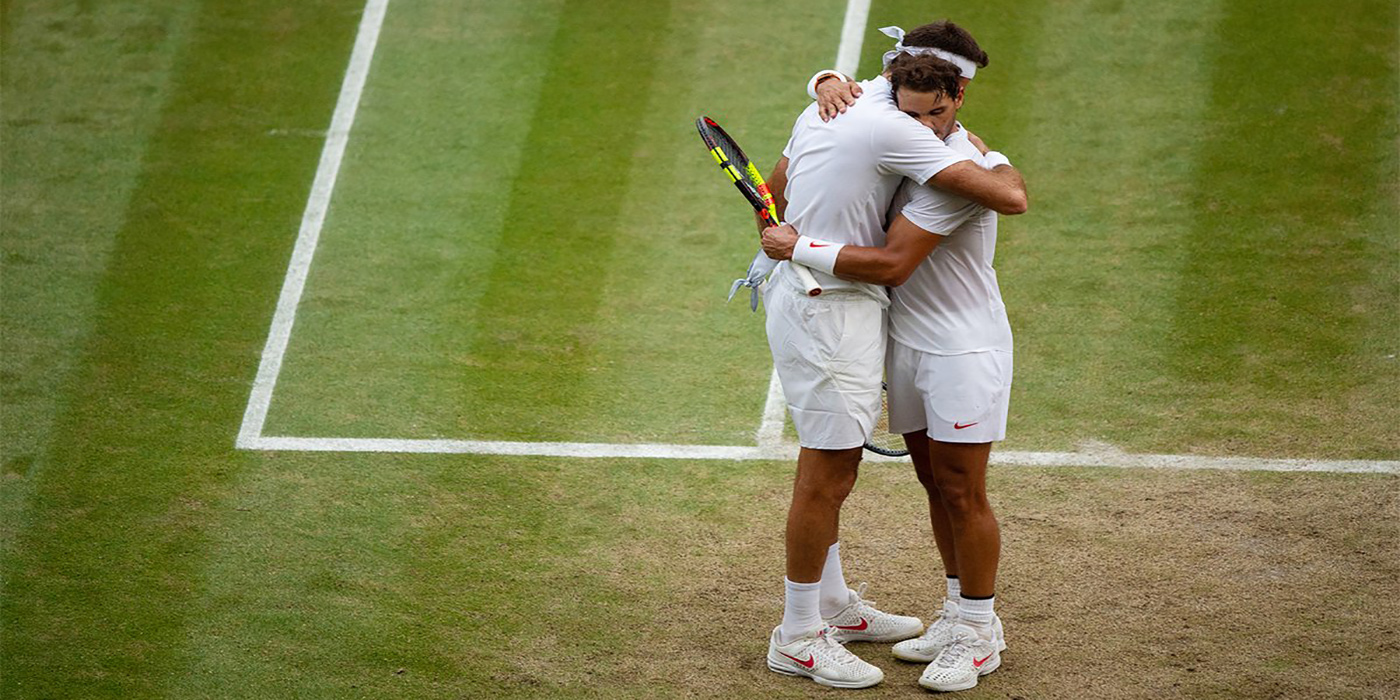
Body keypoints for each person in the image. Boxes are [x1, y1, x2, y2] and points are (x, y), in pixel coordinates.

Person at [759, 50, 1026, 690]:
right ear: (889, 93)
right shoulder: (882, 122)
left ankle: (977, 629)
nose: (925, 127)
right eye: (914, 114)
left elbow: (894, 262)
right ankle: (853, 622)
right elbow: (785, 180)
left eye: (937, 114)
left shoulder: (955, 171)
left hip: (961, 349)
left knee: (961, 488)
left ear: (959, 97)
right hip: (896, 338)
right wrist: (823, 79)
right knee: (932, 483)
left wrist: (799, 246)